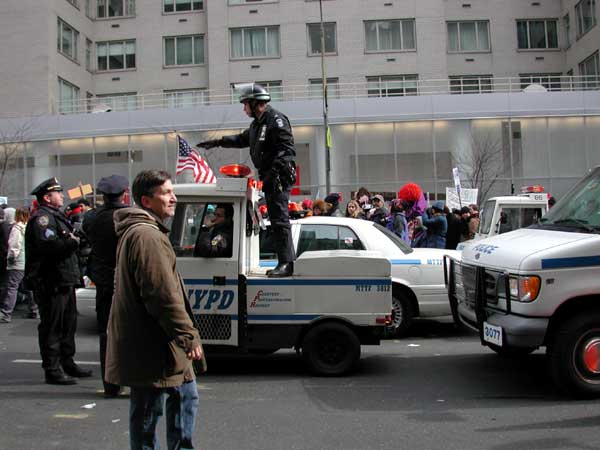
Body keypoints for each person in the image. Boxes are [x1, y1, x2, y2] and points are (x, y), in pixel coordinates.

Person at [106, 170, 204, 450]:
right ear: (147, 201)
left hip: (161, 343)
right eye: (166, 193)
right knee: (149, 415)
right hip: (153, 344)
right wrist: (188, 335)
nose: (174, 198)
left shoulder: (147, 231)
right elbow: (161, 294)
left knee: (185, 397)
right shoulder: (147, 236)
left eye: (172, 192)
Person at [197, 83, 296, 277]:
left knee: (279, 219)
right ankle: (284, 262)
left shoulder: (276, 120)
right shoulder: (257, 124)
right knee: (275, 220)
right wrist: (218, 142)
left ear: (254, 103)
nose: (244, 109)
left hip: (279, 176)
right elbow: (242, 139)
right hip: (269, 176)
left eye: (245, 104)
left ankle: (286, 264)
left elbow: (287, 151)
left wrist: (271, 175)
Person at [24, 177, 92, 385]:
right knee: (52, 326)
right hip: (51, 281)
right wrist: (73, 242)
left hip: (64, 279)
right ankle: (52, 369)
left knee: (68, 324)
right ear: (47, 197)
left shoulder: (56, 216)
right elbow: (50, 247)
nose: (61, 196)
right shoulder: (42, 219)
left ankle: (67, 362)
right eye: (57, 193)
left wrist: (78, 242)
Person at [82, 174, 129, 398]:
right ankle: (128, 378)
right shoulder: (126, 216)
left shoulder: (92, 218)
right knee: (128, 332)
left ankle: (110, 383)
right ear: (124, 194)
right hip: (123, 281)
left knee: (106, 334)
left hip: (102, 281)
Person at [0, 208, 29, 323]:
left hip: (17, 262)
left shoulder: (17, 228)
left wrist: (10, 259)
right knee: (28, 287)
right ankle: (34, 309)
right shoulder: (28, 227)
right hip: (27, 261)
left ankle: (6, 313)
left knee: (11, 287)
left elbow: (14, 246)